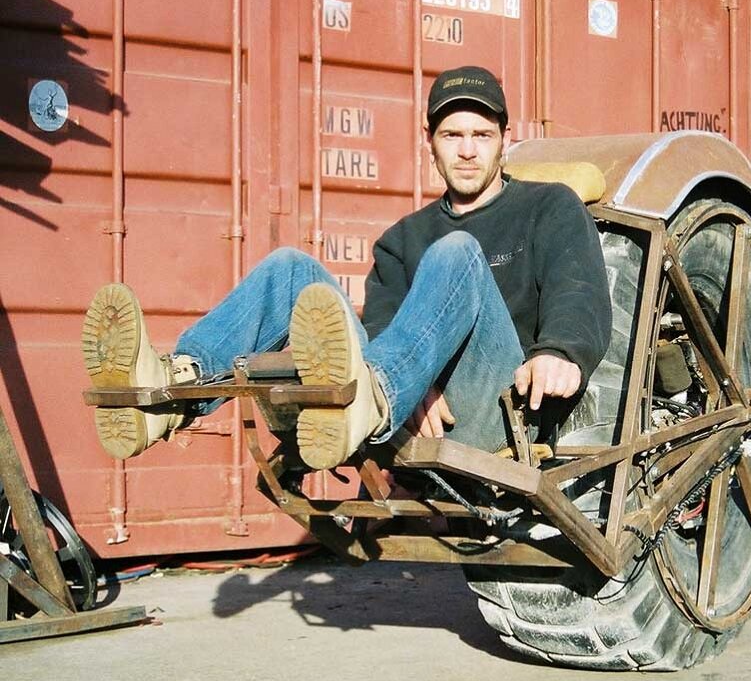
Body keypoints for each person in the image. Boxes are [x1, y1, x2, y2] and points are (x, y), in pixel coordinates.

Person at [82, 66, 612, 470]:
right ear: (429, 141)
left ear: (505, 138)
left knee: (458, 251)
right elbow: (383, 328)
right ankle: (172, 392)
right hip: (410, 407)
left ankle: (372, 397)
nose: (468, 151)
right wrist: (413, 385)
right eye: (453, 136)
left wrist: (560, 352)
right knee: (290, 266)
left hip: (502, 404)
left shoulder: (550, 206)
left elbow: (579, 288)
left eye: (482, 135)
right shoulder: (402, 239)